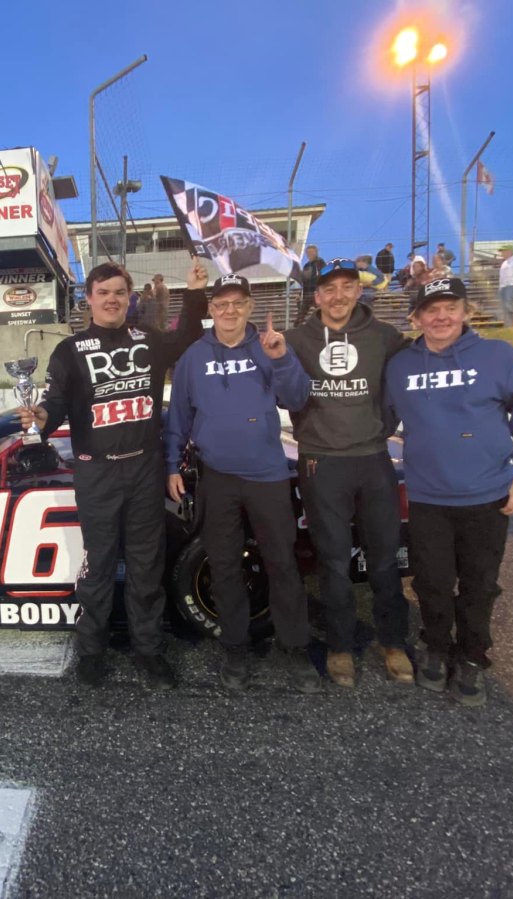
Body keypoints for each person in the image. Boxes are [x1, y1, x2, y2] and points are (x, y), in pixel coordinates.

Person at [18, 258, 208, 689]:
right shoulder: (69, 350)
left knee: (146, 565)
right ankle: (91, 651)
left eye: (119, 292)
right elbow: (55, 403)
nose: (111, 300)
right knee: (98, 565)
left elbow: (186, 337)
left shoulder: (149, 340)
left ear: (129, 298)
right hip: (96, 471)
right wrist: (40, 418)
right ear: (88, 299)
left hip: (144, 468)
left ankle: (149, 650)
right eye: (103, 293)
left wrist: (196, 293)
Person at [383, 277, 513, 707]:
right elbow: (378, 422)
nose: (441, 316)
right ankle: (436, 646)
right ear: (416, 318)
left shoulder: (499, 356)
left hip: (487, 495)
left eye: (450, 307)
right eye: (431, 309)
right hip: (427, 498)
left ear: (466, 311)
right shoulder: (400, 366)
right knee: (432, 582)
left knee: (479, 584)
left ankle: (473, 655)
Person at [165, 275, 319, 693]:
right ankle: (235, 646)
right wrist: (172, 466)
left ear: (250, 306)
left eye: (237, 303)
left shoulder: (269, 346)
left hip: (267, 474)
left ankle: (295, 647)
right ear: (210, 309)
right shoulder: (194, 356)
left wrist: (281, 358)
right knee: (224, 564)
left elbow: (298, 399)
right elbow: (178, 417)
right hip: (217, 477)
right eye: (221, 304)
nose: (229, 311)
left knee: (282, 563)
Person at [283, 258, 414, 688]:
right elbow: (282, 389)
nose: (338, 296)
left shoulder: (384, 336)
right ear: (317, 296)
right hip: (321, 460)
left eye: (346, 286)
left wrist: (386, 425)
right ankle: (340, 646)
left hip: (373, 457)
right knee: (333, 560)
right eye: (329, 289)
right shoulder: (297, 339)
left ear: (359, 291)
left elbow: (407, 377)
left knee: (384, 557)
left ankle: (393, 642)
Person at [294, 244, 324, 327]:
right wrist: (300, 294)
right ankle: (297, 329)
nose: (309, 254)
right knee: (300, 317)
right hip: (307, 294)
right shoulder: (306, 265)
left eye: (311, 252)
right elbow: (304, 282)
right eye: (308, 253)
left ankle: (323, 329)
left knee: (322, 313)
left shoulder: (320, 263)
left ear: (316, 252)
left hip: (317, 293)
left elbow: (324, 278)